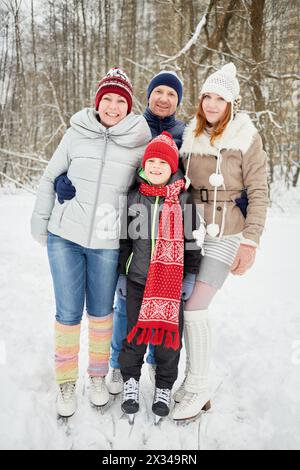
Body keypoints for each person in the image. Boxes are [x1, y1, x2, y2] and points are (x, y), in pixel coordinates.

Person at [53, 70, 187, 394]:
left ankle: (156, 367)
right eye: (158, 92)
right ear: (148, 96)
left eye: (171, 93)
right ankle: (116, 366)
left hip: (166, 241)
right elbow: (118, 178)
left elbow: (188, 179)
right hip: (130, 237)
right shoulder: (134, 128)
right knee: (124, 305)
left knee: (164, 311)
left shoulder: (185, 134)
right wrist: (64, 180)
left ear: (179, 100)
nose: (164, 98)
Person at [30, 68, 151, 418]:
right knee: (67, 313)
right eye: (107, 99)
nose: (113, 107)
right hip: (65, 236)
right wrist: (45, 213)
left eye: (120, 101)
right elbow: (49, 176)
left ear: (129, 106)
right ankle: (66, 383)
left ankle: (97, 377)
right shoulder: (76, 133)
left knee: (101, 313)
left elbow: (154, 181)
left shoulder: (139, 141)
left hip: (107, 241)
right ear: (97, 101)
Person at [172, 63, 269, 421]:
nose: (212, 104)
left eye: (220, 98)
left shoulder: (246, 137)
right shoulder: (190, 135)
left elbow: (259, 190)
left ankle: (200, 385)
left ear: (233, 103)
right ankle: (191, 379)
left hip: (227, 232)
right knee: (186, 306)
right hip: (192, 230)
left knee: (196, 305)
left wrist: (251, 241)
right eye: (207, 97)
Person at [117, 131, 201, 422]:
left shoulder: (183, 200)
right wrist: (121, 275)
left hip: (170, 284)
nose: (155, 167)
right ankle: (130, 382)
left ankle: (164, 387)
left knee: (169, 341)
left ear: (172, 167)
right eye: (150, 161)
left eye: (162, 163)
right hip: (138, 280)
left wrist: (189, 277)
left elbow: (191, 243)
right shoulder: (133, 197)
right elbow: (124, 240)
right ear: (143, 165)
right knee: (134, 336)